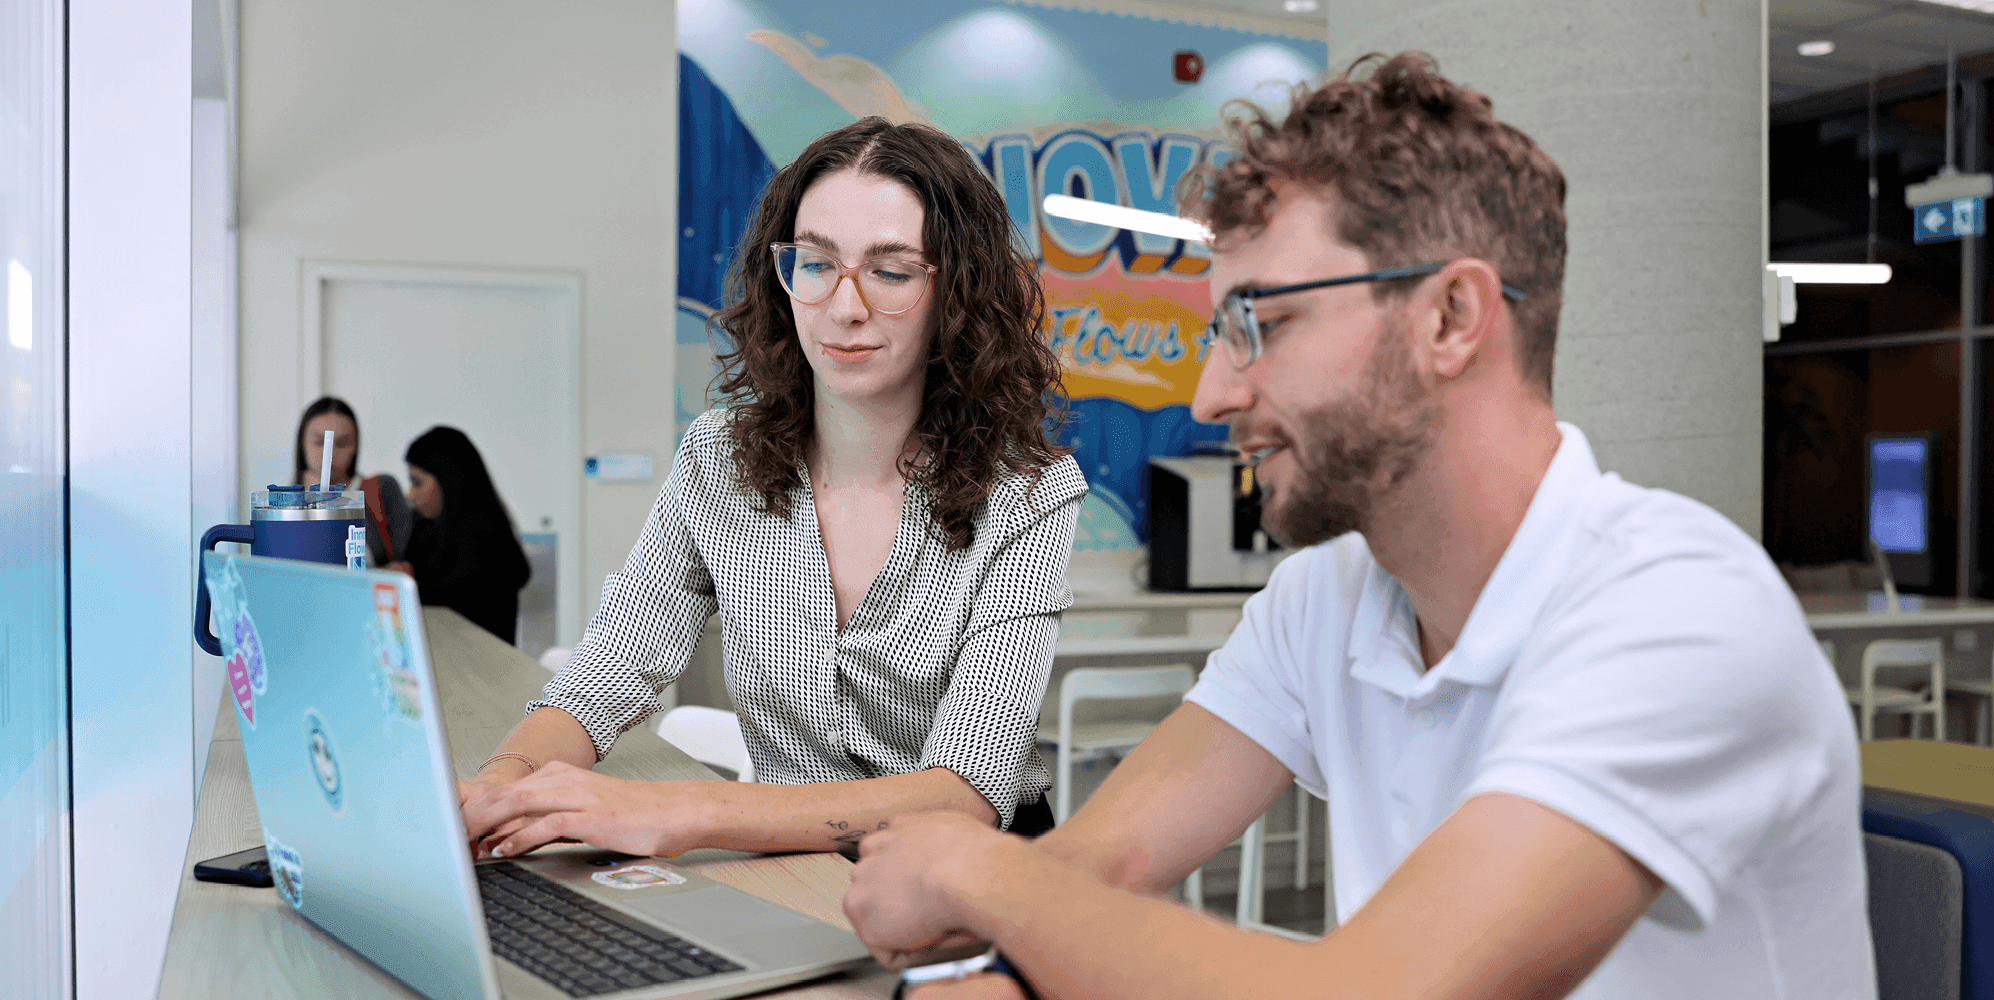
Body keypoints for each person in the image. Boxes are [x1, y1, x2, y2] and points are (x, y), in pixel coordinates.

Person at [839, 54, 1873, 1000]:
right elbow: (1097, 867)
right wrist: (1006, 964)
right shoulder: (1323, 599)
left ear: (1449, 318)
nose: (1208, 393)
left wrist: (979, 868)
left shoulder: (1680, 612)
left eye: (1260, 322)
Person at [457, 117, 1085, 860]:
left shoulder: (1029, 494)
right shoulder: (717, 461)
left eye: (890, 271)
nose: (844, 307)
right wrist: (500, 788)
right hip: (796, 867)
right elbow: (609, 671)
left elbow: (965, 791)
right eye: (816, 263)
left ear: (958, 293)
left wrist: (684, 812)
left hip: (968, 877)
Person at [398, 425, 532, 645]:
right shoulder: (425, 524)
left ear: (449, 482)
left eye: (417, 482)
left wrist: (403, 581)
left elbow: (449, 595)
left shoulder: (484, 537)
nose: (410, 494)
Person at [290, 395, 410, 566]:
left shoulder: (381, 490)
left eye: (341, 444)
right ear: (302, 444)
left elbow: (405, 564)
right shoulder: (284, 503)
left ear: (355, 446)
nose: (329, 455)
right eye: (318, 442)